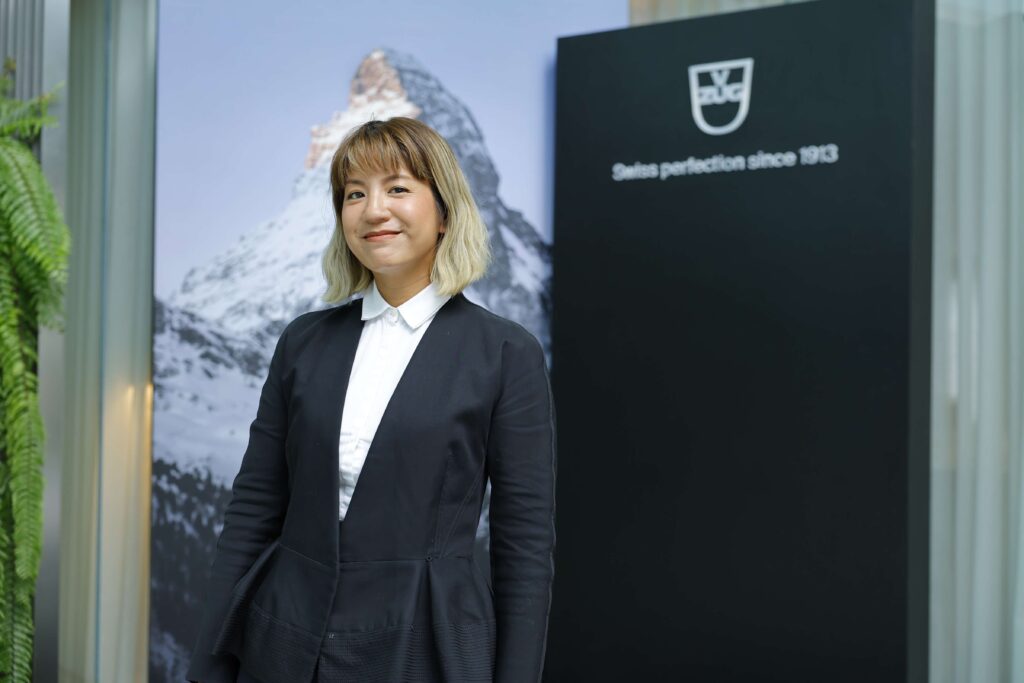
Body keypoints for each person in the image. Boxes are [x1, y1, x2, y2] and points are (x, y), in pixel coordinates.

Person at [186, 117, 557, 683]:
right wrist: (209, 668)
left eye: (398, 188)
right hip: (282, 644)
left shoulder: (506, 352)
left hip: (422, 647)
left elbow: (524, 545)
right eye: (354, 194)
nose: (373, 210)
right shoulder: (303, 342)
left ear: (445, 212)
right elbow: (254, 509)